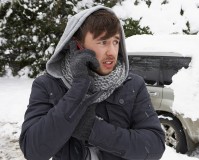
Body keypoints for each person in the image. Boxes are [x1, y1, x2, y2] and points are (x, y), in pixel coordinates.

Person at [19, 5, 165, 160]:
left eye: (115, 42)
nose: (112, 52)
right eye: (102, 42)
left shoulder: (133, 85)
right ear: (77, 45)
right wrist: (79, 88)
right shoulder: (48, 85)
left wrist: (94, 130)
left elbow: (155, 145)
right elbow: (33, 150)